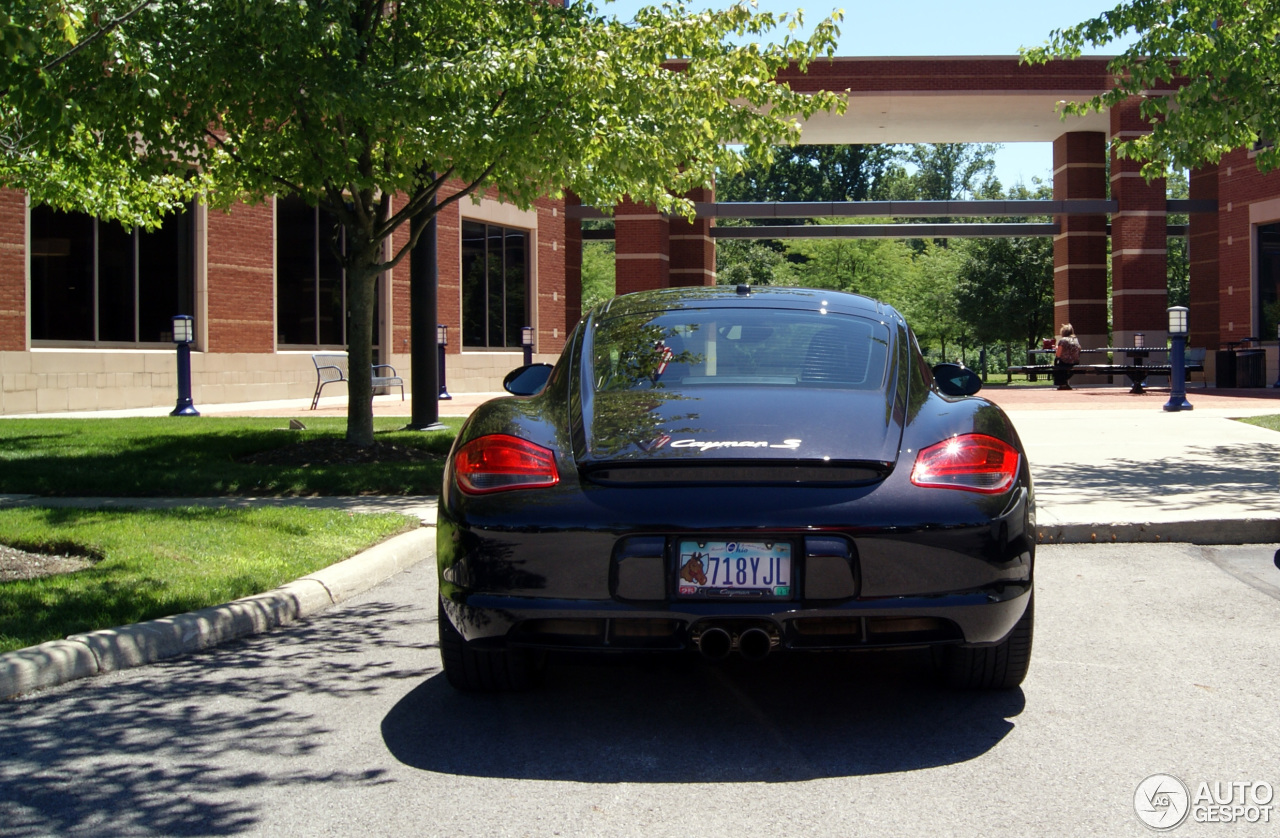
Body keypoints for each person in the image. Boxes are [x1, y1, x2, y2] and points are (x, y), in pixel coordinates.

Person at [1054, 324, 1081, 390]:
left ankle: (1061, 383)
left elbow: (1058, 354)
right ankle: (1064, 383)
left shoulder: (1063, 340)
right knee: (1064, 366)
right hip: (1075, 362)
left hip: (1065, 362)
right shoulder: (1075, 340)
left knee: (1057, 363)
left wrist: (1056, 349)